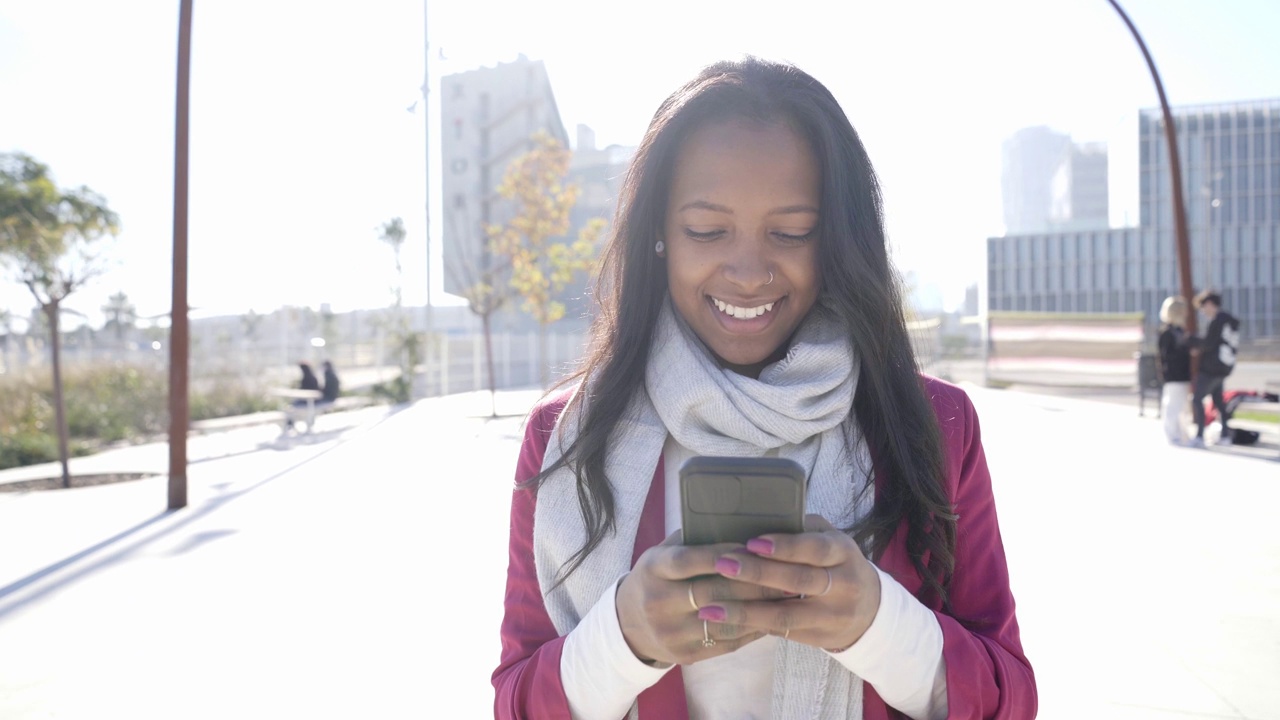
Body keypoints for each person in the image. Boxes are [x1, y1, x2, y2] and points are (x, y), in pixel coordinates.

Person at [493, 58, 1036, 719]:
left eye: (791, 232)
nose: (748, 273)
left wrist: (879, 626)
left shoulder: (934, 423)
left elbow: (1010, 697)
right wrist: (623, 639)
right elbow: (515, 702)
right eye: (706, 230)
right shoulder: (567, 436)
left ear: (835, 238)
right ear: (660, 235)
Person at [1189, 290, 1240, 447]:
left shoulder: (1217, 321)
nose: (1203, 312)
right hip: (1224, 367)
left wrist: (1193, 341)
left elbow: (1208, 344)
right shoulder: (1230, 321)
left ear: (1210, 304)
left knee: (1198, 399)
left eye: (1203, 307)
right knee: (1218, 401)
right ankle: (1225, 435)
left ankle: (1199, 436)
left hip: (1211, 368)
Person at [1157, 296, 1193, 446]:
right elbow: (1166, 357)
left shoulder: (1179, 331)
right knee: (1172, 406)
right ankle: (1172, 435)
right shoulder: (1167, 332)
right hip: (1174, 375)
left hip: (1183, 375)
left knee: (1182, 407)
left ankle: (1181, 434)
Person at [284, 361, 321, 432]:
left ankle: (290, 423)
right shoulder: (311, 377)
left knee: (291, 407)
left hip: (309, 401)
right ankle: (290, 423)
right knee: (291, 407)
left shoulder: (308, 378)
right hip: (308, 400)